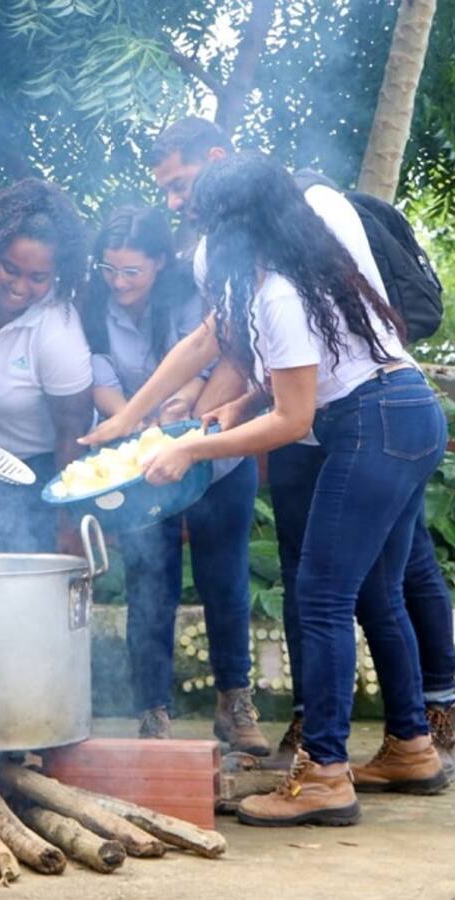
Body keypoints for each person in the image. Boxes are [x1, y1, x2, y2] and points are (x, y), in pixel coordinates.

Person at [87, 153, 449, 826]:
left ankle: (326, 775)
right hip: (404, 414)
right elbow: (281, 366)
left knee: (321, 594)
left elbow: (295, 419)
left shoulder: (280, 291)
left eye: (207, 219)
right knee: (376, 591)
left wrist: (191, 444)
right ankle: (411, 747)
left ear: (237, 225)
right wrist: (220, 406)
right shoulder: (299, 270)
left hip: (372, 426)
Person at [81, 205, 267, 754]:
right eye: (109, 270)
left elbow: (218, 359)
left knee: (224, 581)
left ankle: (235, 704)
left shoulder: (196, 295)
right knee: (149, 584)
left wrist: (184, 408)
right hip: (140, 466)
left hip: (215, 456)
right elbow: (100, 379)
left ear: (161, 263)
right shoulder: (93, 305)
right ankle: (153, 712)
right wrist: (137, 422)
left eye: (131, 272)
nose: (118, 283)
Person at [0, 178, 93, 552]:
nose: (18, 286)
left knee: (27, 584)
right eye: (10, 268)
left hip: (41, 471)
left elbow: (72, 429)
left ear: (56, 274)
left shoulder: (58, 333)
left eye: (38, 278)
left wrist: (68, 515)